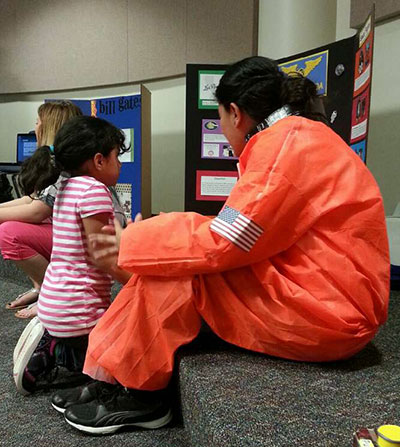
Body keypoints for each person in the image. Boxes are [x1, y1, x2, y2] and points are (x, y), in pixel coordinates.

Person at [54, 56, 389, 435]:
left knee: (183, 274)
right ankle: (115, 376)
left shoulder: (285, 148)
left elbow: (225, 241)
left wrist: (134, 240)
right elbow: (240, 234)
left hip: (334, 311)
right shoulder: (293, 139)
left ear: (235, 113)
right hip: (330, 296)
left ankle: (141, 397)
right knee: (176, 259)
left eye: (219, 120)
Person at [13, 115, 127, 395]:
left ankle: (53, 346)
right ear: (99, 160)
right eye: (117, 157)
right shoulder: (95, 191)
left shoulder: (64, 186)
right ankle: (64, 353)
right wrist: (135, 282)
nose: (120, 164)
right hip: (81, 313)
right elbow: (103, 257)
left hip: (52, 303)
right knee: (128, 334)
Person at [0, 101, 82, 318]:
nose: (34, 128)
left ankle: (54, 296)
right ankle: (41, 288)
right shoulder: (54, 160)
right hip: (66, 230)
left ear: (50, 127)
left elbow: (38, 211)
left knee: (9, 233)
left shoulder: (65, 165)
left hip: (80, 238)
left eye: (37, 123)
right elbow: (33, 200)